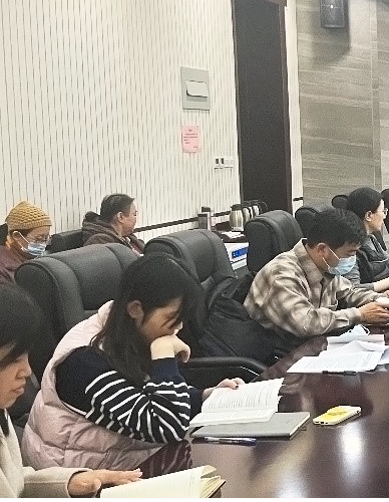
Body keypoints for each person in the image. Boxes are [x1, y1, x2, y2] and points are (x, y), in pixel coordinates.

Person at [23, 255, 245, 470]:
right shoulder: (84, 362)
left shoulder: (126, 333)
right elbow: (167, 428)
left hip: (124, 460)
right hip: (77, 477)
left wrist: (206, 397)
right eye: (171, 318)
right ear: (135, 309)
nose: (179, 328)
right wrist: (164, 355)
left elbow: (148, 398)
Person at [0, 285, 143, 496]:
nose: (27, 371)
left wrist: (70, 482)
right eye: (14, 358)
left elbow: (13, 484)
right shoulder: (81, 361)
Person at [244, 209, 389, 351]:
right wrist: (359, 314)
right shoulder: (282, 274)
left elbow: (350, 292)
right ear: (322, 249)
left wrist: (379, 299)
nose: (351, 260)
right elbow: (306, 323)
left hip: (314, 346)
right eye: (349, 254)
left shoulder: (323, 265)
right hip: (280, 357)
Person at [0, 202, 52, 285]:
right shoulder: (3, 269)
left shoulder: (33, 258)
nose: (43, 244)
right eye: (38, 239)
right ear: (17, 236)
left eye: (46, 238)